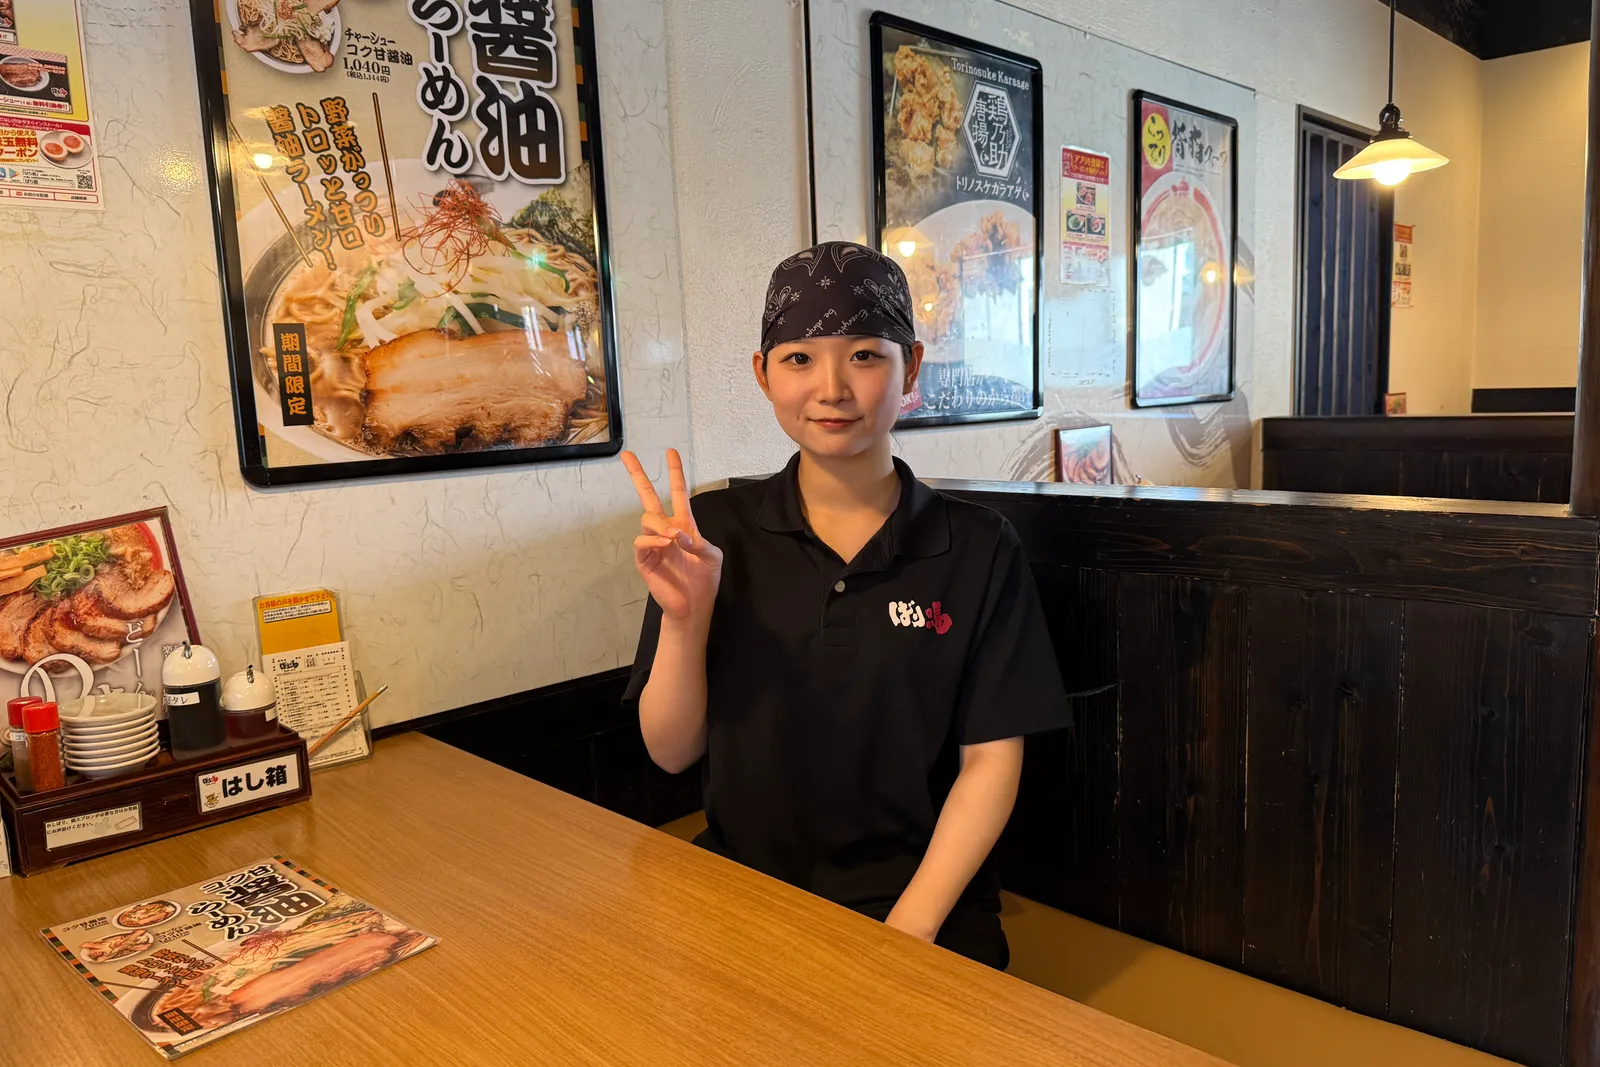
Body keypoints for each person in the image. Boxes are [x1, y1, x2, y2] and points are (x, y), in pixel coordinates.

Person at [620, 241, 1070, 969]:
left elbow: (991, 762)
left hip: (925, 908)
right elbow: (672, 752)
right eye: (799, 358)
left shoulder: (979, 547)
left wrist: (904, 935)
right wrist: (685, 615)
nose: (831, 387)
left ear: (911, 369)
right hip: (742, 893)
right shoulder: (713, 533)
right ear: (763, 374)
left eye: (865, 354)